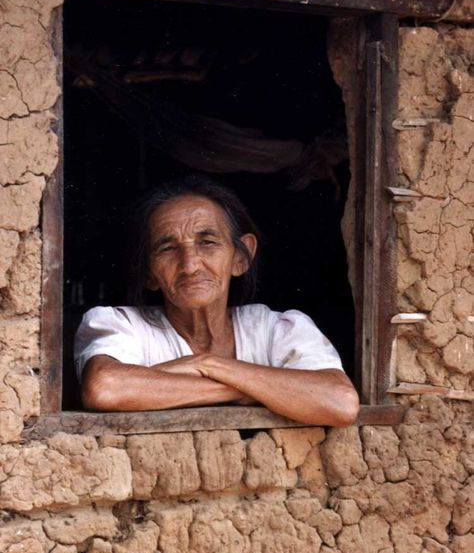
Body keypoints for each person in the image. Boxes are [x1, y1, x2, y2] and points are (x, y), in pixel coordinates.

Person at [75, 175, 359, 426]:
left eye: (207, 243)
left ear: (240, 256)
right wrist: (260, 389)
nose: (190, 265)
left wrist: (207, 364)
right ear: (149, 273)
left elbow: (340, 401)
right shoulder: (122, 325)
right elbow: (105, 387)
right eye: (168, 248)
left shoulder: (278, 328)